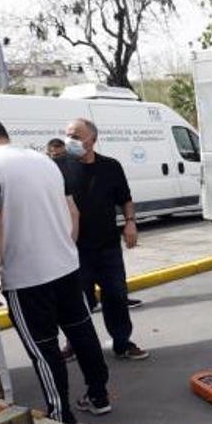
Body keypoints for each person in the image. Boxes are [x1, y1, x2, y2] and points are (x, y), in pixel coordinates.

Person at [0, 110, 113, 424]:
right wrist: (64, 248)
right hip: (67, 267)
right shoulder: (44, 161)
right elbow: (74, 213)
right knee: (83, 334)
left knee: (44, 349)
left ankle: (60, 416)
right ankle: (99, 396)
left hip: (27, 278)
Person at [59, 118, 149, 360]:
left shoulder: (111, 167)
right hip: (74, 249)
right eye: (68, 135)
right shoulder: (59, 167)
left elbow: (125, 198)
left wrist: (130, 222)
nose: (70, 140)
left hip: (108, 247)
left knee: (116, 296)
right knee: (79, 301)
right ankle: (74, 345)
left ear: (93, 139)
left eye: (76, 136)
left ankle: (122, 342)